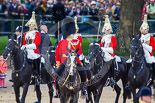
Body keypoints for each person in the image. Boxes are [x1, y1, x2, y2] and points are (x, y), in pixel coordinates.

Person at [54, 17, 87, 98]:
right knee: (56, 74)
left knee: (83, 73)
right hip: (64, 61)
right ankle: (58, 91)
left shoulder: (76, 42)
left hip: (74, 61)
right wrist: (58, 63)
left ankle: (83, 89)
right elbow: (58, 54)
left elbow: (79, 53)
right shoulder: (61, 42)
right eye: (71, 33)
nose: (72, 34)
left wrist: (78, 58)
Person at [21, 11, 41, 85]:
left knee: (36, 60)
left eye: (32, 25)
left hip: (33, 50)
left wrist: (27, 46)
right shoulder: (26, 33)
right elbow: (24, 43)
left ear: (34, 26)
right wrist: (22, 47)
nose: (30, 26)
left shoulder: (37, 33)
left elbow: (36, 43)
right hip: (26, 49)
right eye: (30, 25)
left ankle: (37, 76)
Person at [99, 15, 117, 86]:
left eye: (107, 29)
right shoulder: (102, 37)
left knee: (111, 61)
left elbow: (113, 48)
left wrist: (104, 49)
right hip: (102, 52)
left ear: (110, 30)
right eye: (105, 29)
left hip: (109, 53)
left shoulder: (112, 37)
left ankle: (111, 77)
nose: (106, 31)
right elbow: (100, 45)